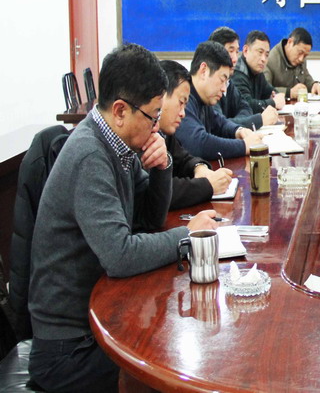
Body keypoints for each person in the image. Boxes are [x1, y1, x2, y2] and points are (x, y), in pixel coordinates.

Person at [27, 44, 219, 391]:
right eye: (152, 116)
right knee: (173, 365)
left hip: (98, 318)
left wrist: (163, 167)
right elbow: (120, 255)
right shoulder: (90, 155)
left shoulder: (119, 144)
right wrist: (187, 235)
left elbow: (149, 219)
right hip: (69, 348)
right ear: (120, 111)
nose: (157, 127)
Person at [159, 60, 234, 209]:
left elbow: (183, 159)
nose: (183, 113)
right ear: (160, 96)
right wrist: (208, 186)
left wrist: (200, 168)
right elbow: (155, 192)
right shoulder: (142, 134)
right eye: (181, 102)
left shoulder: (164, 132)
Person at [175, 41, 265, 160]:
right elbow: (198, 143)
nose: (224, 89)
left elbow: (220, 123)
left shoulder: (203, 99)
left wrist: (238, 131)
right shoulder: (182, 99)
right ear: (204, 71)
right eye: (222, 80)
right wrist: (244, 146)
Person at [209, 26, 278, 128]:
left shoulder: (228, 82)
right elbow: (219, 125)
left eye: (237, 52)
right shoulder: (211, 85)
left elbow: (246, 107)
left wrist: (241, 121)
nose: (235, 59)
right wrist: (259, 120)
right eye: (230, 51)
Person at [232, 30, 286, 113]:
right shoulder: (237, 73)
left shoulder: (257, 72)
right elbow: (246, 105)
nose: (263, 59)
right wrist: (273, 102)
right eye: (260, 52)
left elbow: (270, 91)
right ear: (246, 51)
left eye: (267, 55)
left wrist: (276, 96)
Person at [265, 27, 320, 99]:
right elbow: (264, 90)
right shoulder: (269, 60)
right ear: (290, 42)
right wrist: (289, 92)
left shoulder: (301, 58)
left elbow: (306, 78)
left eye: (305, 55)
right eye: (300, 52)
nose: (301, 59)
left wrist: (314, 85)